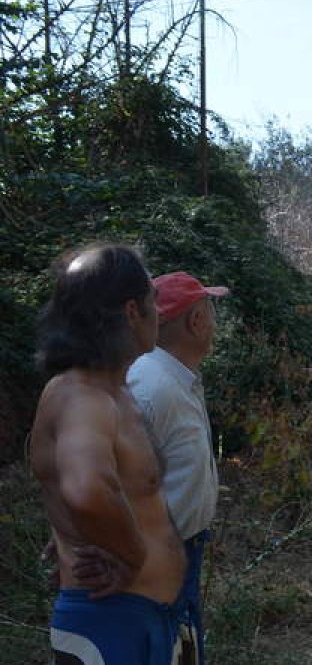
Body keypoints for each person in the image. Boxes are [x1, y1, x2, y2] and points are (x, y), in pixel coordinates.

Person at [29, 243, 192, 664]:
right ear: (132, 310)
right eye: (155, 298)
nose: (161, 312)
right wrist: (134, 556)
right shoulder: (82, 395)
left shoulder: (110, 391)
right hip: (110, 622)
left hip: (138, 619)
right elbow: (88, 488)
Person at [127, 271, 229, 663]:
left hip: (177, 552)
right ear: (196, 321)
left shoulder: (170, 378)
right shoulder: (152, 387)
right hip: (156, 561)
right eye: (210, 312)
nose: (214, 323)